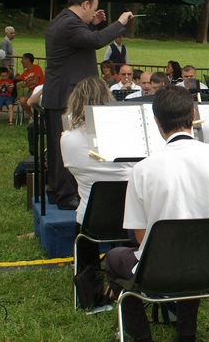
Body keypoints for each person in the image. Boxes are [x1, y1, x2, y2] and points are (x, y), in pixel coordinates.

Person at [105, 86, 209, 342]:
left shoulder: (142, 170)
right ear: (193, 113)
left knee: (113, 258)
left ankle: (142, 337)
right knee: (193, 254)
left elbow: (142, 237)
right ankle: (186, 335)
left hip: (158, 272)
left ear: (156, 122)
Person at [43, 0, 133, 210]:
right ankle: (66, 195)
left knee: (56, 145)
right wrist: (120, 23)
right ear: (85, 4)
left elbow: (83, 38)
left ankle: (56, 190)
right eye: (92, 8)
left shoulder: (61, 20)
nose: (94, 12)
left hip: (58, 91)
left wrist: (90, 23)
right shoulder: (69, 24)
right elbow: (95, 41)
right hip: (67, 94)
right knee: (65, 144)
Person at [61, 77, 135, 305]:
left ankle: (88, 287)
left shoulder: (68, 139)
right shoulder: (127, 134)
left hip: (92, 219)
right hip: (130, 217)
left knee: (83, 229)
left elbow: (72, 169)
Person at [13, 53, 44, 120]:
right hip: (31, 92)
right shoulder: (25, 73)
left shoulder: (36, 68)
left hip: (40, 91)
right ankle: (32, 116)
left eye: (22, 59)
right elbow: (17, 79)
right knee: (22, 100)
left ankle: (41, 117)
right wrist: (15, 78)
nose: (21, 61)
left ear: (27, 60)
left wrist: (23, 85)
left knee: (39, 101)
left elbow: (35, 81)